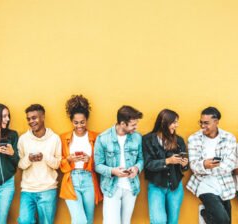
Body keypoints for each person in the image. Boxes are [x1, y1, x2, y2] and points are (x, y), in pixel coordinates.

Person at [186, 106, 237, 224]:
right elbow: (194, 166)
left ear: (216, 122)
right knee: (223, 220)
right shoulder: (194, 139)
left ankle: (207, 215)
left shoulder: (229, 138)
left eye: (206, 123)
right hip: (203, 183)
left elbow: (230, 165)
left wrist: (204, 167)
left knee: (227, 221)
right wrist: (204, 165)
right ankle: (206, 214)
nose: (203, 126)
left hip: (224, 184)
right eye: (201, 122)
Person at [94, 105, 144, 224]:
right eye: (133, 125)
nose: (135, 127)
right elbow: (98, 165)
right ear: (122, 123)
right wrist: (113, 171)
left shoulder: (137, 137)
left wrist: (136, 168)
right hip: (111, 187)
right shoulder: (103, 138)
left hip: (131, 187)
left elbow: (141, 159)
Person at [59, 95, 103, 224]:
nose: (79, 126)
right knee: (80, 220)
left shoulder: (96, 137)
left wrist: (89, 159)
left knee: (88, 221)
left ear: (86, 120)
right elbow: (60, 163)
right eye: (76, 122)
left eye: (82, 122)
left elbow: (100, 163)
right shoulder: (63, 138)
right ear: (72, 122)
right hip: (71, 179)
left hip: (89, 179)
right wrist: (69, 158)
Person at [142, 109, 189, 224]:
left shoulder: (179, 140)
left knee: (173, 221)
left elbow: (185, 168)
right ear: (164, 123)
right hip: (156, 186)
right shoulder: (147, 139)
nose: (176, 125)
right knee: (159, 221)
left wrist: (184, 164)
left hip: (175, 186)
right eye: (174, 122)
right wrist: (168, 161)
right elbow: (148, 164)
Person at [17, 104, 62, 224]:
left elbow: (58, 164)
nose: (31, 121)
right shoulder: (23, 139)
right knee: (24, 221)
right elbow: (20, 164)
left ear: (43, 117)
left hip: (48, 189)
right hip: (27, 190)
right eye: (29, 119)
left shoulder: (55, 139)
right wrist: (29, 158)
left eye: (34, 117)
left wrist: (45, 157)